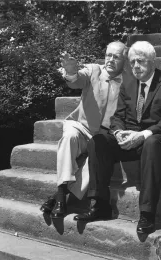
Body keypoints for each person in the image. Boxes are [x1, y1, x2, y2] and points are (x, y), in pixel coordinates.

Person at [73, 41, 161, 234]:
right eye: (132, 62)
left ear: (152, 61)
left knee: (152, 142)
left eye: (140, 61)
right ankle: (99, 205)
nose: (135, 67)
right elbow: (118, 116)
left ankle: (147, 213)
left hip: (158, 138)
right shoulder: (129, 83)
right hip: (130, 138)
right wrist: (118, 132)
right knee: (98, 141)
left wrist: (142, 134)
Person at [40, 41, 132, 218]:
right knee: (69, 137)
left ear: (125, 60)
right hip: (81, 126)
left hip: (105, 134)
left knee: (93, 164)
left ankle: (58, 197)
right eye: (108, 55)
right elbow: (76, 81)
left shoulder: (129, 80)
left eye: (116, 57)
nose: (110, 60)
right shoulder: (93, 70)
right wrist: (71, 72)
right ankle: (60, 196)